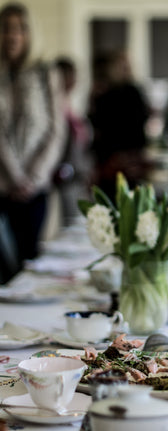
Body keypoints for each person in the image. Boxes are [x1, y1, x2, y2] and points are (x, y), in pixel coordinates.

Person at [0, 2, 64, 279]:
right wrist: (14, 177)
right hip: (3, 184)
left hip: (36, 187)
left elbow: (56, 130)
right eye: (6, 29)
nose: (13, 36)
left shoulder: (45, 73)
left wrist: (32, 177)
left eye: (19, 29)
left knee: (31, 264)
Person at [90, 49, 150, 201]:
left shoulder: (135, 92)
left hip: (131, 156)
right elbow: (97, 127)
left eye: (126, 65)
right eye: (120, 65)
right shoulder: (102, 93)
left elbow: (141, 124)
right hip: (111, 158)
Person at [54, 56, 91, 226]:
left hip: (78, 172)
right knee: (71, 221)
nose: (73, 80)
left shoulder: (69, 103)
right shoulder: (55, 105)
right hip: (66, 173)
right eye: (68, 75)